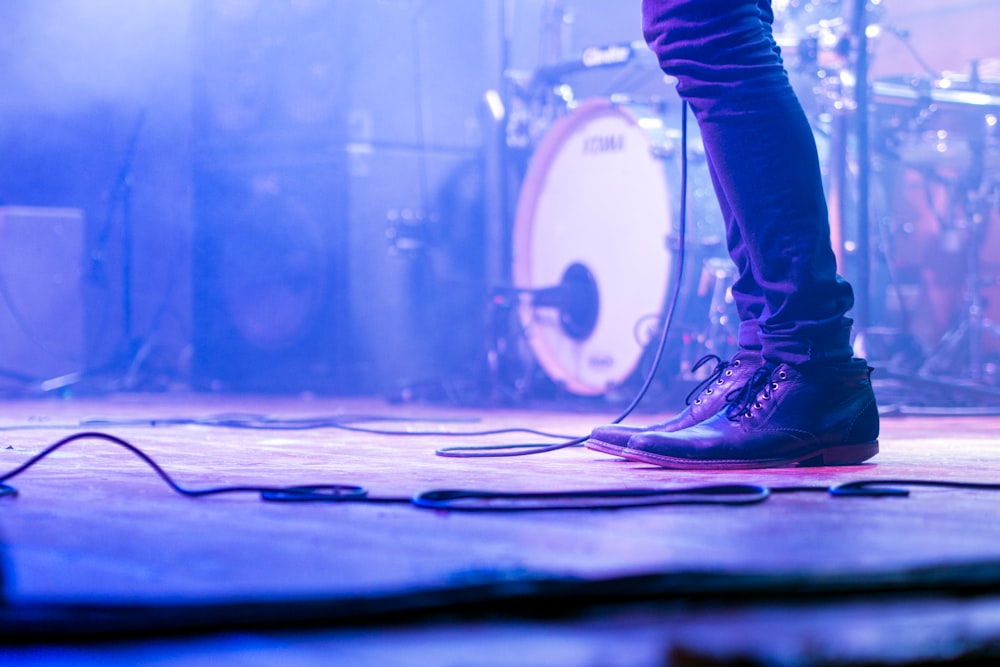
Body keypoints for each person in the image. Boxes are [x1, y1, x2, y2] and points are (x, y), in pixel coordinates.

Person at [585, 0, 879, 469]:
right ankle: (767, 358)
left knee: (709, 33)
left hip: (812, 362)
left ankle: (809, 362)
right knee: (704, 35)